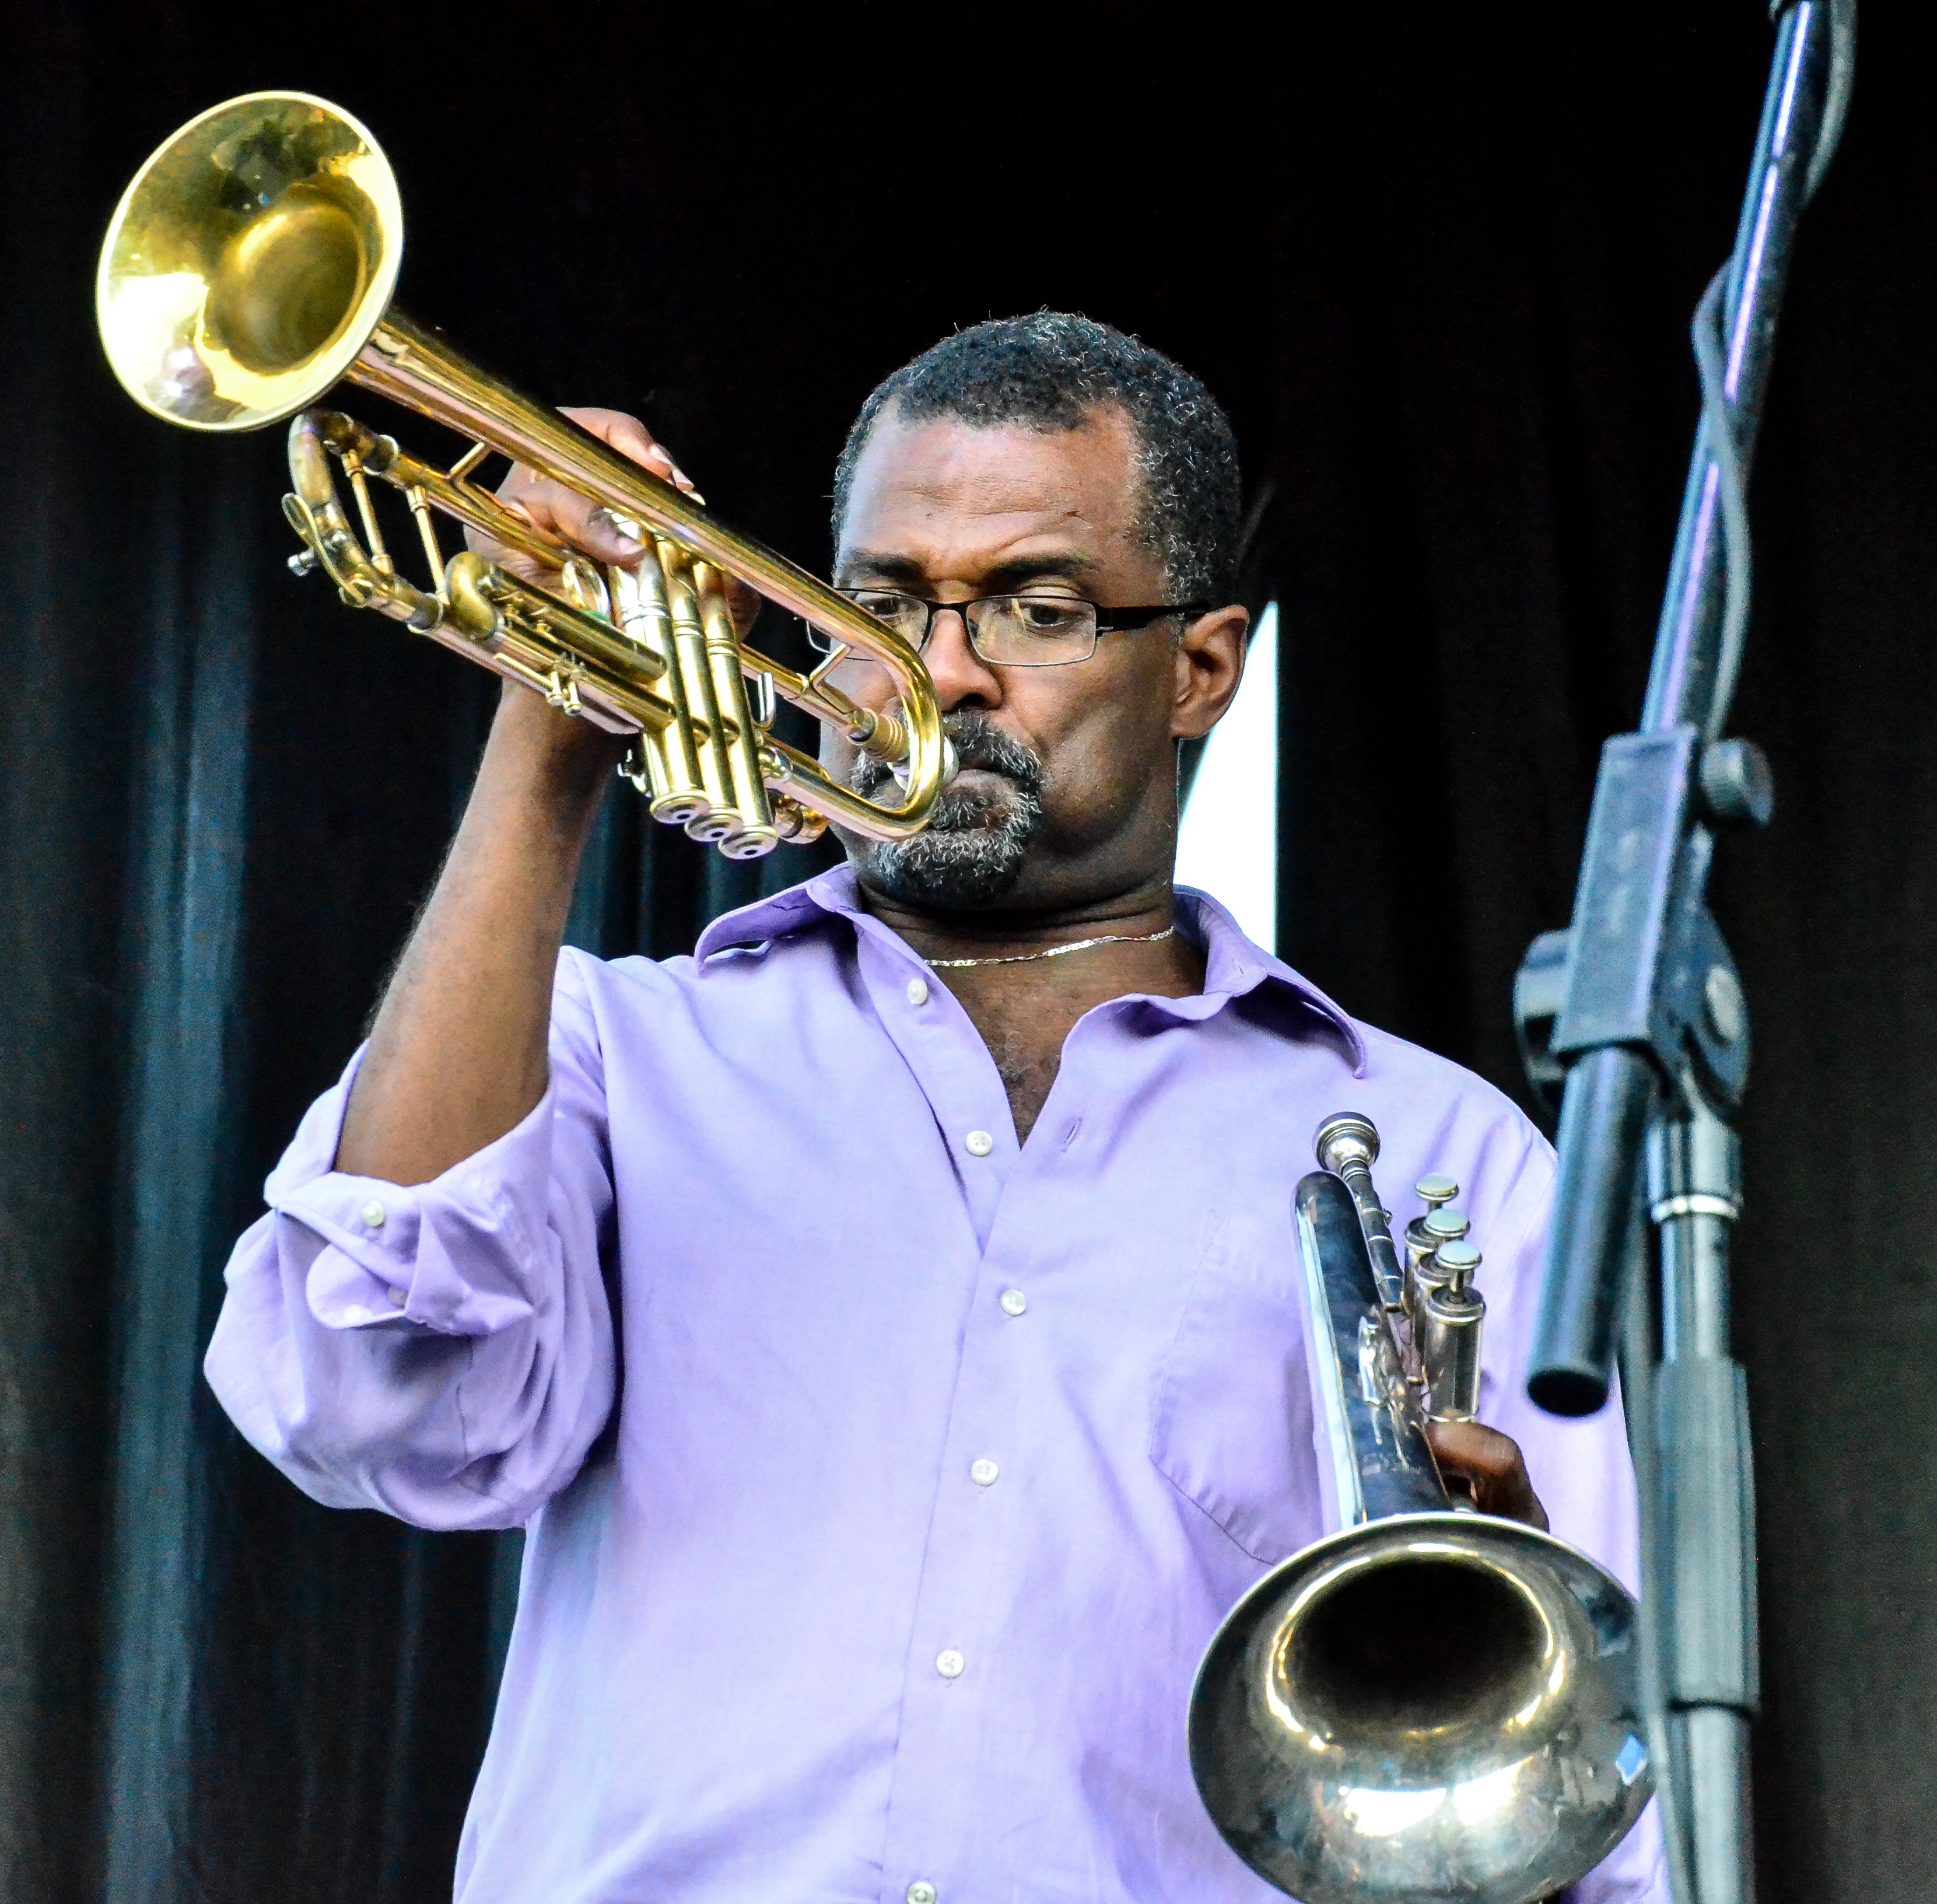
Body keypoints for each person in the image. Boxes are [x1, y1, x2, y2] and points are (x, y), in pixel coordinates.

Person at [206, 313, 1663, 1902]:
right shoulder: (613, 1053)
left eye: (1034, 610)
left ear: (1198, 668)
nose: (942, 670)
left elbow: (1604, 1826)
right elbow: (363, 1401)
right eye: (879, 602)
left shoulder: (1446, 1159)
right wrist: (546, 735)